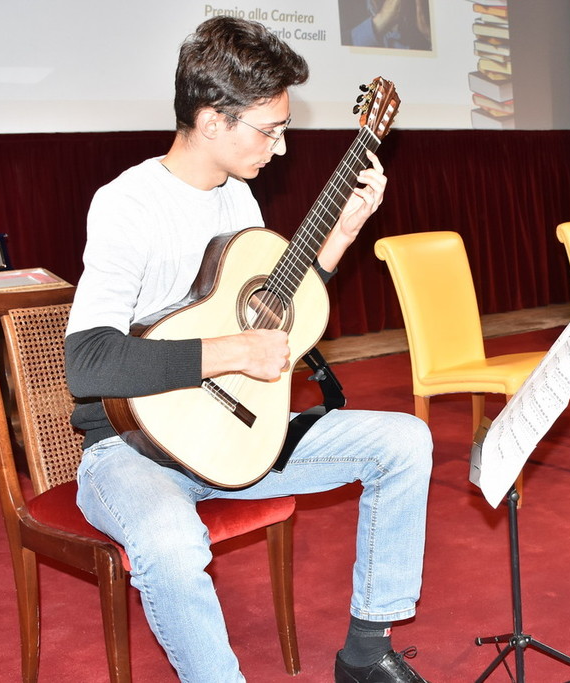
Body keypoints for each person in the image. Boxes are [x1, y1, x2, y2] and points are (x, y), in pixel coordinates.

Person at [64, 17, 433, 683]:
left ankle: (365, 651)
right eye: (270, 130)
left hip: (239, 437)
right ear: (212, 121)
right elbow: (87, 362)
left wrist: (340, 236)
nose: (281, 148)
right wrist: (230, 351)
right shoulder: (128, 204)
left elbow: (271, 313)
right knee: (172, 542)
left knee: (405, 441)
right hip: (131, 450)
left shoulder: (238, 199)